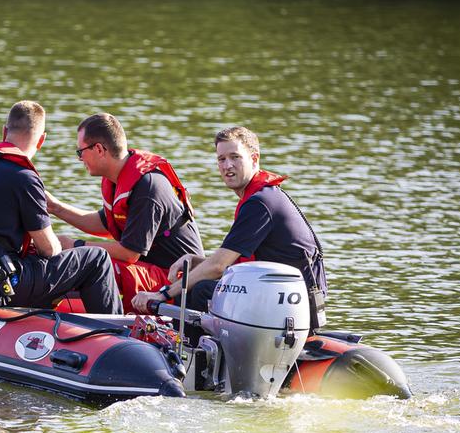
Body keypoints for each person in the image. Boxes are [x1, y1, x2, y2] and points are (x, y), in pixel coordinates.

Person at [0, 101, 121, 314]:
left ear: (4, 132)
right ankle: (116, 335)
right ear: (41, 141)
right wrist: (64, 247)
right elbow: (48, 249)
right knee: (97, 259)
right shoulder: (26, 178)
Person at [132, 125, 327, 328]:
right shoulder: (260, 196)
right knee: (198, 285)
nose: (227, 166)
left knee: (199, 290)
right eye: (221, 159)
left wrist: (162, 294)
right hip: (279, 297)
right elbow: (233, 264)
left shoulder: (260, 203)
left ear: (254, 159)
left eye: (235, 157)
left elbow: (219, 266)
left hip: (295, 308)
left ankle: (188, 357)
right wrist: (195, 261)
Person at [45, 113, 204, 313]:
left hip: (174, 282)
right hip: (151, 270)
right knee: (85, 257)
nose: (79, 158)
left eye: (80, 152)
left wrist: (76, 245)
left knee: (92, 261)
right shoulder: (118, 178)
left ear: (99, 149)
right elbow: (104, 224)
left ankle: (112, 331)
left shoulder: (147, 187)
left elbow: (130, 253)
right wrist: (55, 207)